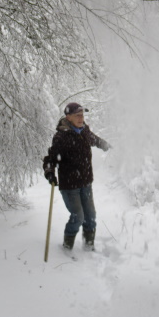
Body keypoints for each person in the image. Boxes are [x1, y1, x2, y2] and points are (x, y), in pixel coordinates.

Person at [43, 102, 110, 251]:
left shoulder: (84, 131)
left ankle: (89, 245)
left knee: (90, 216)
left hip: (86, 182)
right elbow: (50, 159)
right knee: (78, 216)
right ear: (68, 117)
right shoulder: (61, 136)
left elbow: (95, 140)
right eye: (77, 115)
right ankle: (67, 246)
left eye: (82, 115)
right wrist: (49, 173)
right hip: (70, 186)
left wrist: (106, 146)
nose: (81, 118)